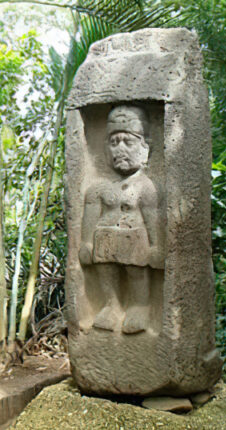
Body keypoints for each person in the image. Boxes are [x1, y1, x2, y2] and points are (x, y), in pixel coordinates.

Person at [79, 105, 164, 334]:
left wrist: (156, 246)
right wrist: (87, 243)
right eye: (114, 143)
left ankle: (140, 305)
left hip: (134, 240)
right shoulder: (99, 188)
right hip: (105, 240)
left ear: (145, 149)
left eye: (129, 142)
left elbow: (152, 215)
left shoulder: (145, 186)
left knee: (136, 271)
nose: (120, 149)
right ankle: (112, 304)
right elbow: (90, 213)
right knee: (105, 268)